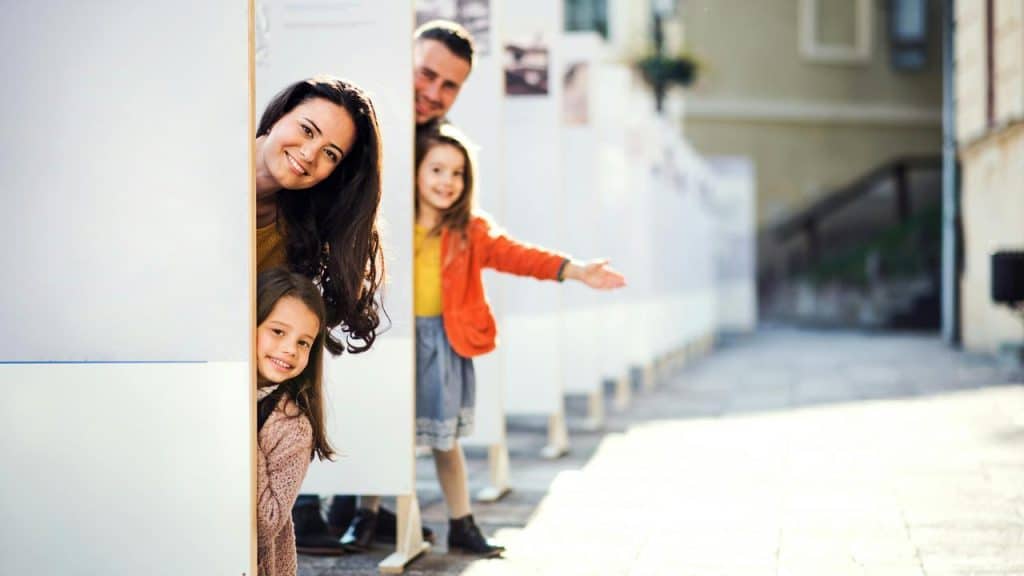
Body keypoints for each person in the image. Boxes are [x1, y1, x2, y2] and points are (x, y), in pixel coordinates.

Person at [344, 124, 626, 557]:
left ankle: (462, 522)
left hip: (442, 346)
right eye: (436, 169)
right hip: (393, 340)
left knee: (444, 441)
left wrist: (576, 269)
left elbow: (519, 256)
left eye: (457, 173)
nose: (446, 181)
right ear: (415, 171)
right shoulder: (387, 221)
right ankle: (366, 514)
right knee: (387, 427)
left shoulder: (470, 231)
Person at [296, 20, 477, 552]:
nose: (434, 93)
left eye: (450, 86)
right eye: (427, 74)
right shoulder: (359, 113)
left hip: (384, 285)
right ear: (406, 60)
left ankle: (365, 507)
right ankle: (305, 509)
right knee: (317, 378)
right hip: (325, 265)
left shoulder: (433, 141)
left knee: (376, 392)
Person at [254, 75, 386, 556]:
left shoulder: (296, 237)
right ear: (277, 116)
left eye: (331, 153)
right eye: (307, 130)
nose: (310, 154)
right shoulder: (198, 175)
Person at [255, 269, 334, 576]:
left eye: (304, 343)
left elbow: (265, 524)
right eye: (278, 331)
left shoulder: (292, 426)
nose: (290, 348)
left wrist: (244, 431)